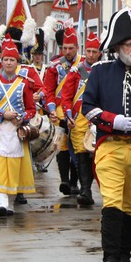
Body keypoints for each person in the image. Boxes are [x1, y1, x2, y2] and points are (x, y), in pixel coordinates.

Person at [83, 8, 131, 262]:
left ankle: (125, 254)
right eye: (129, 43)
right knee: (112, 200)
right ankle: (111, 258)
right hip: (110, 146)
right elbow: (87, 107)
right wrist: (111, 120)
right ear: (117, 47)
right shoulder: (100, 72)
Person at [0, 36, 37, 216]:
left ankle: (9, 204)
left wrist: (21, 118)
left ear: (17, 62)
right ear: (1, 61)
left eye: (12, 59)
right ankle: (0, 204)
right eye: (6, 59)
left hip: (16, 132)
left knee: (13, 167)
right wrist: (1, 114)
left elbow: (31, 109)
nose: (9, 63)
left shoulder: (24, 83)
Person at [61, 32, 102, 207]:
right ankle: (86, 190)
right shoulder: (76, 71)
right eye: (89, 51)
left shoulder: (105, 70)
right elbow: (66, 96)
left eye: (94, 51)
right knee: (81, 153)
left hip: (98, 117)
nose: (91, 55)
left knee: (95, 153)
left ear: (100, 53)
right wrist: (68, 115)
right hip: (79, 118)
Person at [43, 26, 82, 196]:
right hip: (60, 110)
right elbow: (49, 91)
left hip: (79, 110)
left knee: (79, 145)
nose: (67, 51)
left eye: (71, 48)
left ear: (77, 47)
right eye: (64, 48)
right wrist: (51, 110)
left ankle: (75, 181)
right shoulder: (55, 66)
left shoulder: (84, 64)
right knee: (62, 144)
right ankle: (65, 180)